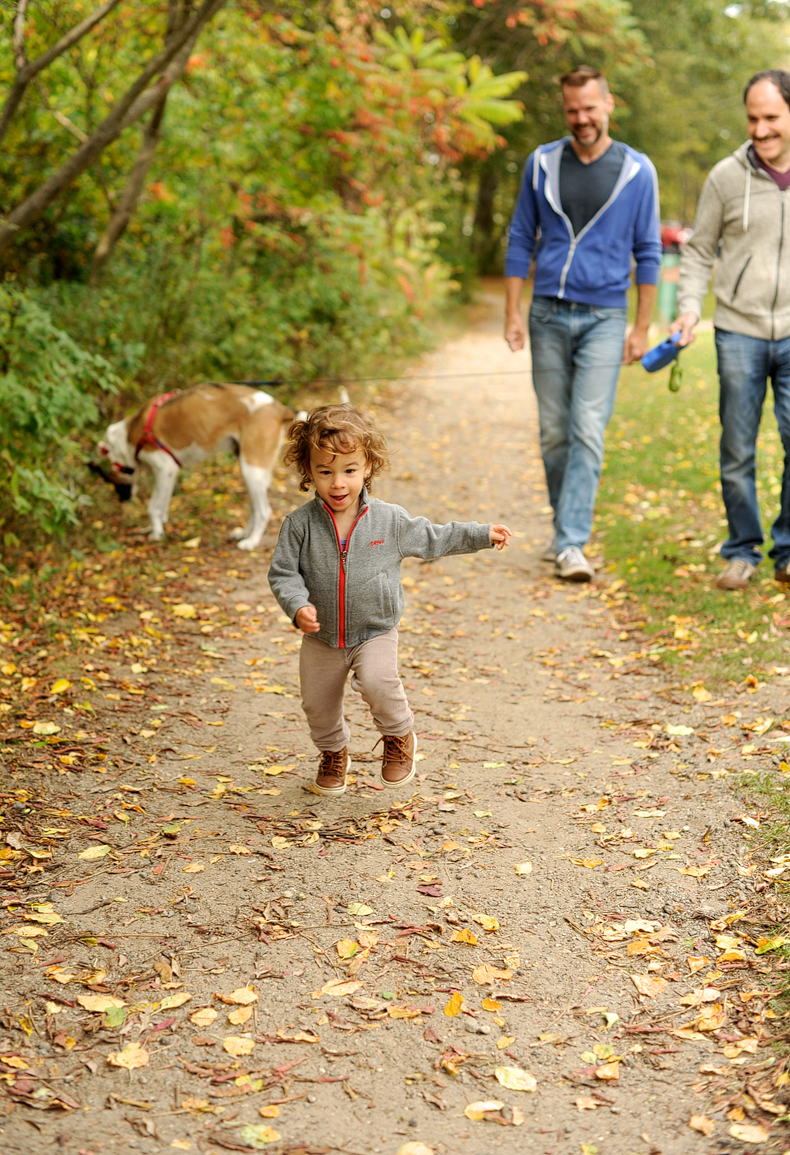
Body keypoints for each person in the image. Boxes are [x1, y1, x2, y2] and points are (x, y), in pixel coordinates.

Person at [268, 404, 511, 797]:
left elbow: (435, 538)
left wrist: (481, 534)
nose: (338, 483)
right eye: (325, 472)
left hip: (375, 630)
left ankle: (400, 737)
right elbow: (283, 573)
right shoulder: (299, 525)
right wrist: (297, 605)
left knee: (379, 682)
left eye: (349, 469)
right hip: (321, 636)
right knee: (317, 704)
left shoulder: (389, 520)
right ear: (308, 472)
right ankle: (333, 754)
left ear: (367, 468)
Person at [505, 65, 662, 582]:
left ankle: (572, 542)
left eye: (590, 108)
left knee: (587, 428)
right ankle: (563, 529)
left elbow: (649, 252)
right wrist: (513, 312)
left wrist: (641, 328)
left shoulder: (638, 171)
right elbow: (521, 236)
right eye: (572, 110)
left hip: (605, 317)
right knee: (554, 433)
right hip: (547, 312)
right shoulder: (542, 162)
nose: (581, 119)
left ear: (608, 104)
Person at [673, 69, 790, 591]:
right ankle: (742, 550)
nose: (760, 129)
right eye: (752, 118)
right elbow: (698, 251)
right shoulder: (725, 176)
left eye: (771, 118)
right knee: (738, 448)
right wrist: (689, 310)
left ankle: (787, 549)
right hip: (738, 330)